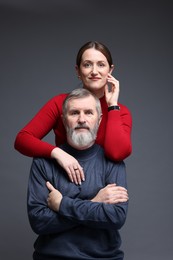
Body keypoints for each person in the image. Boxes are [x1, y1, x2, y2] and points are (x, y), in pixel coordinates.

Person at [27, 88, 129, 260]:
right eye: (74, 113)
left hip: (104, 258)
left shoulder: (113, 161)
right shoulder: (43, 162)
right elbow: (39, 222)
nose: (82, 119)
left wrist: (61, 205)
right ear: (64, 120)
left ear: (99, 119)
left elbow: (116, 217)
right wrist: (95, 202)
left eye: (88, 112)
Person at [14, 41, 132, 185]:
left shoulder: (120, 112)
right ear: (78, 70)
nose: (94, 71)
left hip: (102, 185)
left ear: (110, 70)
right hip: (65, 182)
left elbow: (117, 153)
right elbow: (22, 140)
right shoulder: (60, 103)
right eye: (87, 64)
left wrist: (112, 106)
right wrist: (59, 154)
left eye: (101, 65)